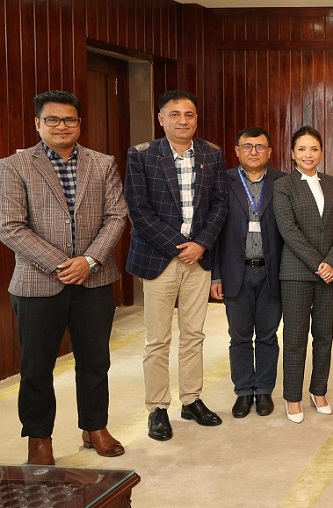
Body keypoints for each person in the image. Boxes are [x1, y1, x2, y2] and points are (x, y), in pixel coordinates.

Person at [0, 90, 128, 463]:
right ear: (37, 123)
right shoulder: (14, 165)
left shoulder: (102, 163)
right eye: (52, 119)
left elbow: (117, 216)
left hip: (95, 280)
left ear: (79, 123)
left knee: (95, 361)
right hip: (38, 283)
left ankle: (94, 427)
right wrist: (62, 264)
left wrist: (89, 260)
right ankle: (39, 438)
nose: (61, 126)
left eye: (69, 119)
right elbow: (10, 226)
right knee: (37, 367)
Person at [125, 89, 228, 441]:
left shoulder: (212, 153)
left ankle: (191, 400)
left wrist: (201, 244)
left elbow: (220, 204)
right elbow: (138, 209)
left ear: (196, 119)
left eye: (189, 114)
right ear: (161, 119)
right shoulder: (141, 155)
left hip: (199, 258)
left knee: (194, 335)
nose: (183, 121)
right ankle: (157, 408)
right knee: (157, 339)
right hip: (159, 258)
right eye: (175, 114)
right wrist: (177, 247)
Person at [210, 127, 285, 419]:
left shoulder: (282, 182)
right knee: (239, 337)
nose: (254, 152)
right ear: (237, 151)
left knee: (267, 335)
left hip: (271, 272)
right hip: (235, 271)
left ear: (270, 152)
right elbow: (214, 233)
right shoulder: (222, 180)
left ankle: (264, 390)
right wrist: (215, 276)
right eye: (247, 146)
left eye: (260, 146)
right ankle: (243, 391)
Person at [273, 126, 333, 424]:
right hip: (296, 272)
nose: (308, 154)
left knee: (325, 335)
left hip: (331, 272)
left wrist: (332, 262)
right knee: (295, 337)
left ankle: (319, 391)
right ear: (292, 153)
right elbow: (288, 230)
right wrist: (319, 264)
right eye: (302, 149)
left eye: (314, 149)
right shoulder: (284, 185)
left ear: (321, 152)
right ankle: (293, 396)